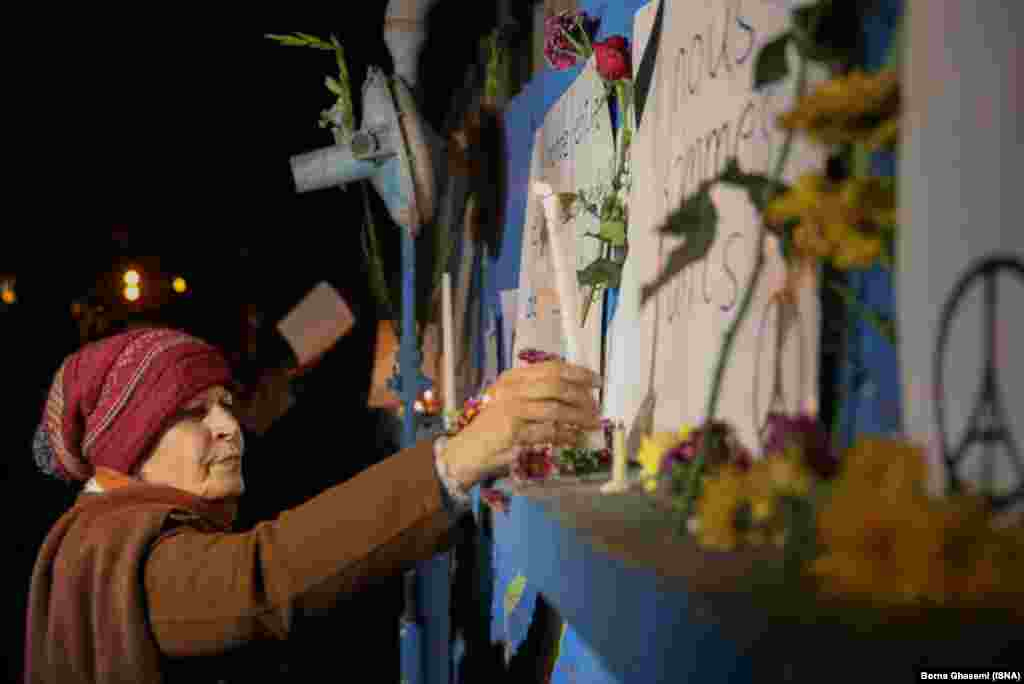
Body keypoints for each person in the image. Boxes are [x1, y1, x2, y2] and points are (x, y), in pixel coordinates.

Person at [24, 326, 601, 683]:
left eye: (226, 404)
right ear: (130, 448)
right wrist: (456, 460)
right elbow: (263, 578)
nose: (229, 427)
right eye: (194, 413)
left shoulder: (100, 534)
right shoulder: (123, 554)